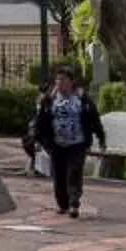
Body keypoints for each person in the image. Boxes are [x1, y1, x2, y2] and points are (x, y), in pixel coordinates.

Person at [23, 66, 105, 219]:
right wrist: (36, 138)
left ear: (71, 81)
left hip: (77, 143)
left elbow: (94, 118)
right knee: (59, 174)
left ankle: (74, 203)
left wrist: (101, 137)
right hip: (56, 143)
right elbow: (41, 120)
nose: (59, 83)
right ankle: (63, 204)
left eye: (63, 80)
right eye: (57, 80)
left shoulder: (82, 98)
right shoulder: (50, 99)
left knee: (74, 172)